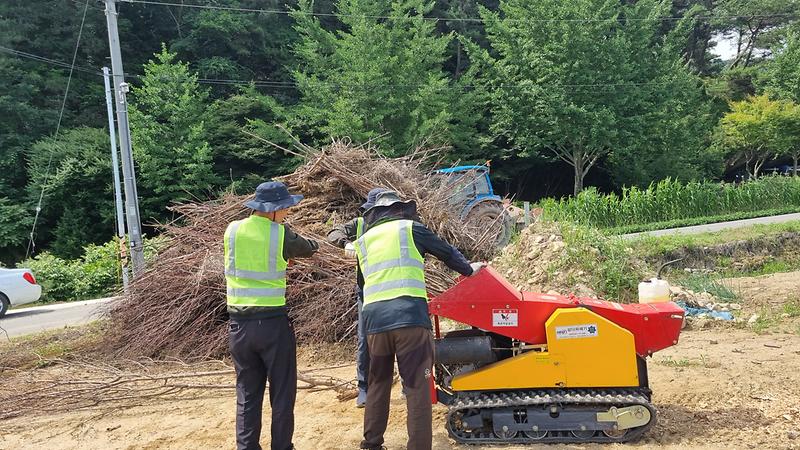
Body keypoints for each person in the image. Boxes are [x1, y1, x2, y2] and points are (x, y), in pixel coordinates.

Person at [355, 191, 484, 450]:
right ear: (399, 210)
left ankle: (371, 444)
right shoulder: (411, 229)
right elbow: (446, 252)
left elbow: (362, 284)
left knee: (378, 382)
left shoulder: (364, 241)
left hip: (374, 322)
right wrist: (469, 269)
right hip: (410, 319)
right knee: (416, 386)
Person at [224, 181, 319, 450]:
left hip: (238, 328)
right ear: (274, 210)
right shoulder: (280, 234)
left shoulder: (231, 231)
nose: (288, 212)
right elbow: (308, 247)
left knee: (247, 394)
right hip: (272, 326)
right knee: (282, 394)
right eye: (286, 208)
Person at [327, 187, 389, 408]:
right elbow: (333, 233)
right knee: (365, 341)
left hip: (392, 291)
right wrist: (346, 243)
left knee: (400, 338)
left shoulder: (395, 226)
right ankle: (364, 387)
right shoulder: (360, 224)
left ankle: (406, 386)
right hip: (367, 291)